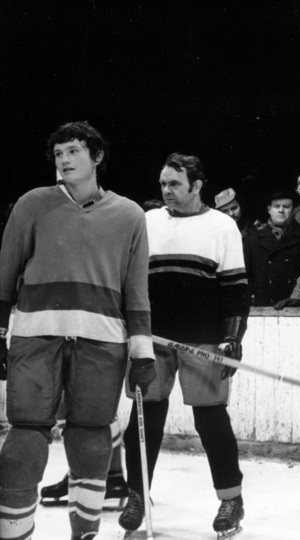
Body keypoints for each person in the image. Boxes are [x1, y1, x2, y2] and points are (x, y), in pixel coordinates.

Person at [0, 121, 156, 540]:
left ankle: (84, 533)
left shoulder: (130, 215)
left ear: (97, 157)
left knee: (91, 436)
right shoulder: (32, 204)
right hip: (37, 335)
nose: (65, 160)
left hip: (103, 341)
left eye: (73, 151)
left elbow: (136, 293)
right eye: (58, 154)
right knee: (25, 434)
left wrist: (142, 354)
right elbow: (4, 276)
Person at [119, 153, 249, 538]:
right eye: (162, 183)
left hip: (203, 340)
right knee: (144, 419)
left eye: (174, 184)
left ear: (196, 185)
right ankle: (137, 495)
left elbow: (236, 290)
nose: (166, 191)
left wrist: (232, 338)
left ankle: (231, 499)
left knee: (210, 421)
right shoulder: (147, 222)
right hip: (153, 338)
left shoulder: (222, 226)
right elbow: (131, 281)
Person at [243, 190, 300, 307]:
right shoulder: (253, 239)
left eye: (286, 207)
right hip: (264, 308)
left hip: (297, 306)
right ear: (269, 210)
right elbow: (247, 276)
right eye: (276, 206)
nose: (281, 210)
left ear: (294, 210)